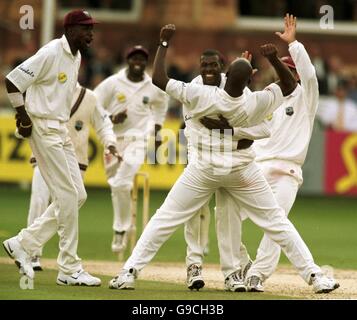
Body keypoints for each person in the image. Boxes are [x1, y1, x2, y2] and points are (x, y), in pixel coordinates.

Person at [108, 24, 339, 294]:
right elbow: (287, 87)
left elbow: (159, 79)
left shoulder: (200, 94)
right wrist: (274, 58)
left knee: (165, 218)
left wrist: (164, 43)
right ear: (248, 81)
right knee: (277, 223)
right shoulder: (254, 102)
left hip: (204, 170)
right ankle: (314, 276)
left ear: (224, 75)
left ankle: (129, 271)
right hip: (242, 170)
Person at [201, 14, 336, 293]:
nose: (289, 74)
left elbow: (309, 74)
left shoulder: (306, 96)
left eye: (292, 69)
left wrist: (292, 45)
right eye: (285, 69)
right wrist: (240, 73)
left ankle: (259, 276)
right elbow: (242, 115)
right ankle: (243, 264)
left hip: (286, 172)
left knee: (276, 224)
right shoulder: (268, 98)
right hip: (255, 168)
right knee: (225, 214)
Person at [2, 9, 107, 286]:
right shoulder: (50, 52)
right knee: (67, 196)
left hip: (60, 129)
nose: (91, 33)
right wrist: (23, 116)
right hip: (43, 129)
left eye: (91, 28)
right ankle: (69, 268)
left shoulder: (77, 56)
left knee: (78, 195)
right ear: (71, 30)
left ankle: (23, 243)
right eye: (86, 28)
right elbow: (12, 80)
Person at [184, 49, 263, 291]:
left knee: (228, 213)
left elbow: (252, 134)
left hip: (230, 158)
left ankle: (237, 266)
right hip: (201, 154)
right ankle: (194, 265)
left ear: (223, 68)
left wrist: (243, 73)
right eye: (204, 65)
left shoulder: (240, 88)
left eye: (214, 65)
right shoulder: (195, 87)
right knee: (196, 210)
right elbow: (197, 128)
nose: (208, 70)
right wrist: (229, 130)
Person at [27, 82, 118, 271]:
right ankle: (31, 253)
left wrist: (110, 142)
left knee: (67, 208)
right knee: (39, 200)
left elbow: (104, 124)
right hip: (46, 156)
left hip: (75, 162)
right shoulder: (48, 89)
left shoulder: (89, 97)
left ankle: (63, 258)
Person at [94, 45, 169, 254]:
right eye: (134, 58)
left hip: (139, 139)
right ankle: (125, 224)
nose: (138, 62)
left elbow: (161, 105)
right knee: (116, 185)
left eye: (142, 59)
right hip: (112, 138)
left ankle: (121, 229)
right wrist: (110, 118)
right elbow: (93, 104)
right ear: (127, 60)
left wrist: (156, 129)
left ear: (146, 62)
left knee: (122, 181)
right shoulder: (112, 83)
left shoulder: (151, 84)